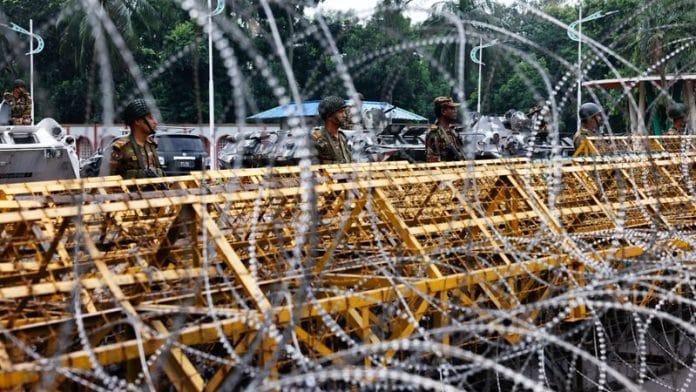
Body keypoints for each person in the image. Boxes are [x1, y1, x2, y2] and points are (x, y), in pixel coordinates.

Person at [101, 98, 164, 178]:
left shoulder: (151, 145)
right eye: (150, 118)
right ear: (137, 121)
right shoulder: (120, 148)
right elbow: (107, 181)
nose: (155, 122)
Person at [311, 95, 351, 164]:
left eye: (344, 112)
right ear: (329, 116)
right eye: (341, 112)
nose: (345, 115)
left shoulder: (343, 137)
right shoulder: (317, 138)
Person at [425, 96, 463, 162]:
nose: (455, 111)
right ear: (443, 111)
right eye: (452, 108)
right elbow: (431, 161)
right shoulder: (434, 133)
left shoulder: (453, 131)